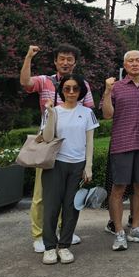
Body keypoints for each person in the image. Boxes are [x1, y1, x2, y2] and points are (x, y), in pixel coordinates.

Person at [20, 44, 93, 253]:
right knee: (42, 195)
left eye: (70, 59)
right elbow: (25, 82)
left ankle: (62, 232)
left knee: (66, 196)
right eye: (62, 58)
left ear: (75, 63)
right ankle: (39, 235)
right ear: (55, 61)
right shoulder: (45, 81)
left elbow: (87, 113)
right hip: (49, 144)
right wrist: (28, 57)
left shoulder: (82, 84)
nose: (65, 62)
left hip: (72, 147)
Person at [102, 50, 139, 251]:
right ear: (125, 66)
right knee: (118, 188)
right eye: (130, 61)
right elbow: (107, 114)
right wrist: (107, 92)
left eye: (138, 61)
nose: (134, 64)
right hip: (122, 144)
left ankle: (135, 227)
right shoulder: (115, 87)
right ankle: (118, 231)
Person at [40, 74, 98, 264]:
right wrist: (50, 113)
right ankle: (49, 247)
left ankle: (64, 246)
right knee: (51, 207)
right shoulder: (53, 111)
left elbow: (90, 142)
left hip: (77, 165)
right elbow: (47, 137)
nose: (71, 92)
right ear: (61, 90)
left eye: (75, 88)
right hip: (55, 164)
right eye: (67, 88)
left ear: (81, 91)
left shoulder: (87, 113)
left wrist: (88, 166)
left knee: (72, 208)